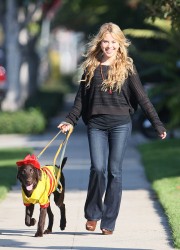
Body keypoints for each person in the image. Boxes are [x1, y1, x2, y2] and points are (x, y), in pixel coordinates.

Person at [58, 22, 167, 235]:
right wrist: (70, 120)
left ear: (119, 44)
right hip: (96, 124)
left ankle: (108, 221)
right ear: (100, 43)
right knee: (97, 168)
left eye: (113, 42)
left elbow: (142, 98)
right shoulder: (91, 66)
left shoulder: (127, 67)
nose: (109, 46)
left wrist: (157, 123)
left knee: (114, 172)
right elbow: (80, 100)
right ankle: (92, 214)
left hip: (120, 124)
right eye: (105, 42)